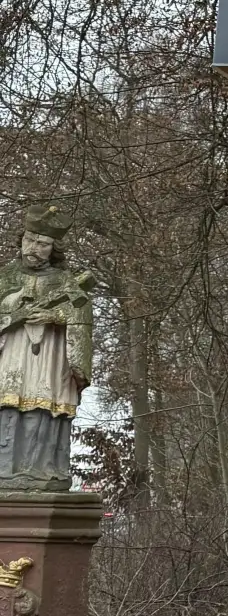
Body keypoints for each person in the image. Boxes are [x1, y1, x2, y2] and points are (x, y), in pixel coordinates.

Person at [0, 204, 95, 491]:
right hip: (12, 354)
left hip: (50, 359)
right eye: (29, 240)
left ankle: (41, 470)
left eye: (42, 244)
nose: (33, 248)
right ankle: (5, 468)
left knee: (44, 407)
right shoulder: (5, 277)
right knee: (8, 403)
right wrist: (14, 305)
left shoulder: (65, 281)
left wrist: (57, 317)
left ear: (53, 249)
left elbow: (82, 314)